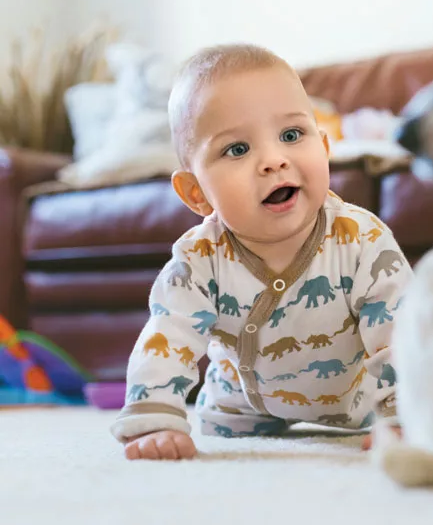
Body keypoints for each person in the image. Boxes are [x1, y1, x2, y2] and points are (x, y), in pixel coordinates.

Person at [110, 44, 411, 460]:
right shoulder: (199, 258)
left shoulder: (361, 240)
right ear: (196, 193)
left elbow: (399, 330)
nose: (274, 160)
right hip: (237, 407)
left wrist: (405, 416)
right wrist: (155, 421)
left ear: (324, 149)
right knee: (224, 415)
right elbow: (169, 335)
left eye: (291, 135)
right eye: (237, 149)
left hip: (354, 405)